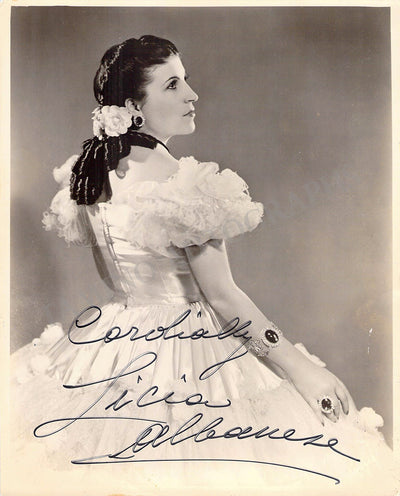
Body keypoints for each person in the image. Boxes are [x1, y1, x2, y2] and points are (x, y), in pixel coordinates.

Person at [10, 35, 396, 496]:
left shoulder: (94, 171)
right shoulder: (182, 182)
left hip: (113, 344)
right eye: (173, 85)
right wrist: (303, 370)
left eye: (186, 80)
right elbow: (224, 298)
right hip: (191, 356)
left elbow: (113, 276)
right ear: (133, 106)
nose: (192, 95)